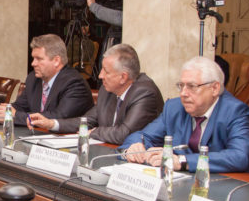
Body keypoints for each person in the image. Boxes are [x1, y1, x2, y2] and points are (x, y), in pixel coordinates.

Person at [121, 56, 249, 173]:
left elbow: (240, 156)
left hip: (225, 185)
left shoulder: (235, 111)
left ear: (214, 88)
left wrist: (182, 161)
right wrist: (134, 147)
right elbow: (143, 136)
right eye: (181, 86)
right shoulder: (174, 107)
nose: (183, 93)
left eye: (192, 86)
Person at [29, 44, 164, 145]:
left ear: (123, 77)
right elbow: (87, 121)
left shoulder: (144, 93)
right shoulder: (107, 90)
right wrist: (51, 123)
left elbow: (124, 134)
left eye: (106, 71)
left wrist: (95, 132)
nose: (100, 76)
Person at [0, 34, 93, 126]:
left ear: (56, 61)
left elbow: (58, 117)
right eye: (33, 58)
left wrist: (15, 116)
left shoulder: (74, 83)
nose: (33, 63)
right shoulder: (33, 78)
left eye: (39, 59)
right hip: (37, 135)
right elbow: (20, 106)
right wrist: (6, 110)